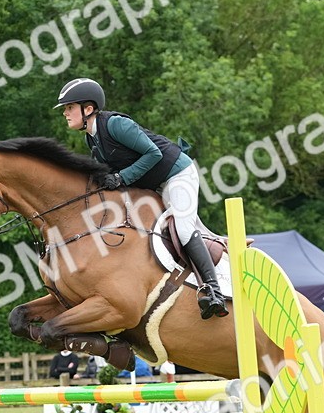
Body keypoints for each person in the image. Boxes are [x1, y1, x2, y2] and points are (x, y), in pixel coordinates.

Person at [56, 77, 228, 320]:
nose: (65, 113)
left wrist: (122, 177)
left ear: (88, 108)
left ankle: (214, 290)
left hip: (176, 174)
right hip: (152, 186)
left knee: (183, 228)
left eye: (69, 107)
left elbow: (153, 153)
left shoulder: (115, 125)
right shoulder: (91, 139)